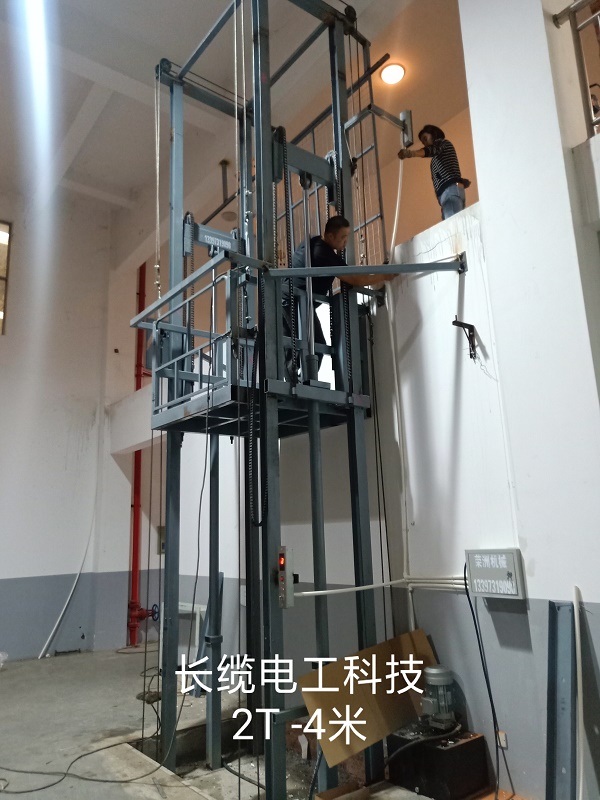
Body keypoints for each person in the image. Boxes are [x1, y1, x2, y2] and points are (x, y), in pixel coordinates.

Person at [281, 215, 391, 378]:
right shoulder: (323, 253)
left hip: (287, 299)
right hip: (294, 301)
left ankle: (294, 381)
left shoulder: (311, 243)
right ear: (331, 236)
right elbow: (356, 279)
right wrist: (385, 275)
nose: (346, 242)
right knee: (314, 346)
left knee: (297, 347)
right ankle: (299, 384)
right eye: (343, 237)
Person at [398, 125, 471, 220]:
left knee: (452, 223)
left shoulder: (443, 143)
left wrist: (411, 153)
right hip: (448, 193)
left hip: (450, 191)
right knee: (453, 223)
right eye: (423, 142)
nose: (425, 144)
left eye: (425, 139)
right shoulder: (438, 156)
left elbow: (432, 150)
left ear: (433, 134)